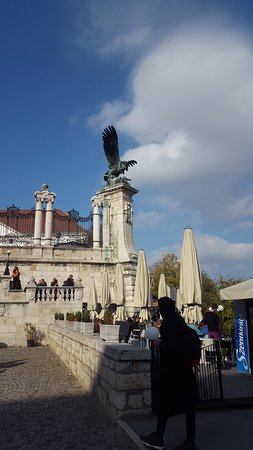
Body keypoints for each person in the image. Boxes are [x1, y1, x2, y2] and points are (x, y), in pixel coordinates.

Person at [140, 297, 198, 450]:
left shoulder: (168, 324)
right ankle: (190, 442)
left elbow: (172, 348)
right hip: (186, 370)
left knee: (164, 404)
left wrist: (160, 344)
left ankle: (158, 437)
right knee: (189, 408)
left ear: (163, 308)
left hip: (173, 371)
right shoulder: (180, 321)